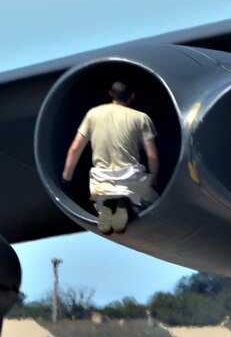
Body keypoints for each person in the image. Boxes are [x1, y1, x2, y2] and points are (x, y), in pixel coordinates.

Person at [61, 80, 160, 234]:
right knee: (152, 203)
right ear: (132, 96)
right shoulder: (142, 118)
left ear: (110, 94)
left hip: (101, 179)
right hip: (131, 178)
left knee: (100, 198)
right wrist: (153, 180)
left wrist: (66, 179)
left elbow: (74, 149)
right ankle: (128, 206)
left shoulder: (93, 114)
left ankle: (106, 206)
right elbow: (152, 156)